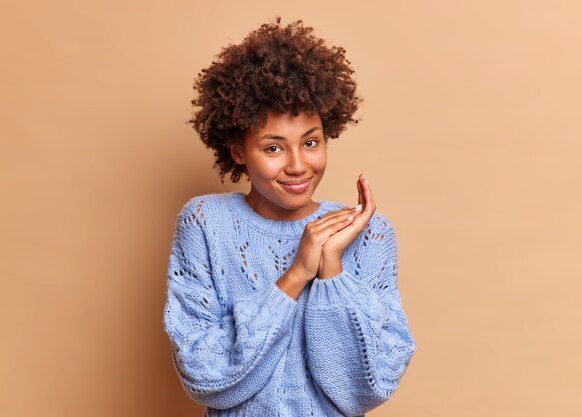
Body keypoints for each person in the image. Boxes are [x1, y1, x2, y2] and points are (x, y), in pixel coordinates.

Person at [162, 17, 417, 417]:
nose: (298, 165)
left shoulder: (368, 234)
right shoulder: (205, 223)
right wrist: (297, 272)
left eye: (311, 142)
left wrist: (331, 268)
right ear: (238, 151)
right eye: (274, 148)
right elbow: (205, 375)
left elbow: (364, 388)